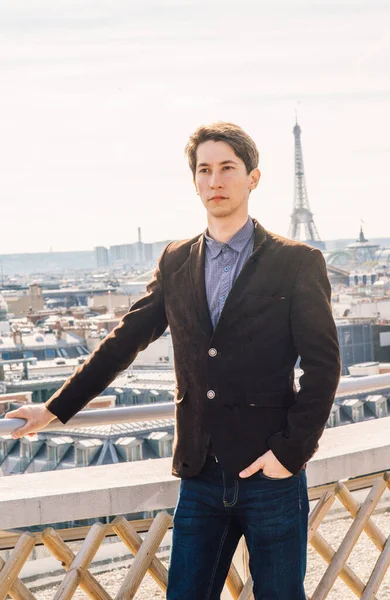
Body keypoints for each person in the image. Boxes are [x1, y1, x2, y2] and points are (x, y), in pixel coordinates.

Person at [6, 122, 341, 599]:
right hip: (200, 474)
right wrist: (55, 408)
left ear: (253, 178)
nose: (215, 180)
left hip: (270, 474)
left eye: (228, 168)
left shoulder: (298, 261)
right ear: (195, 182)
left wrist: (290, 454)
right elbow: (125, 342)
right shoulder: (176, 259)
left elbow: (324, 365)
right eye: (205, 170)